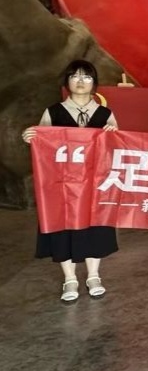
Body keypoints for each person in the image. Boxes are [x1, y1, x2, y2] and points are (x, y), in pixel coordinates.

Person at [21, 60, 119, 302]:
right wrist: (30, 137)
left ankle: (93, 276)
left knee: (95, 227)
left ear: (94, 83)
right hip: (62, 186)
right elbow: (42, 145)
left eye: (87, 77)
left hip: (94, 186)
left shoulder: (105, 114)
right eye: (75, 76)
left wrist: (115, 136)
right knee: (62, 227)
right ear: (67, 82)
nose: (81, 81)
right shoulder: (53, 112)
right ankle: (70, 279)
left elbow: (116, 150)